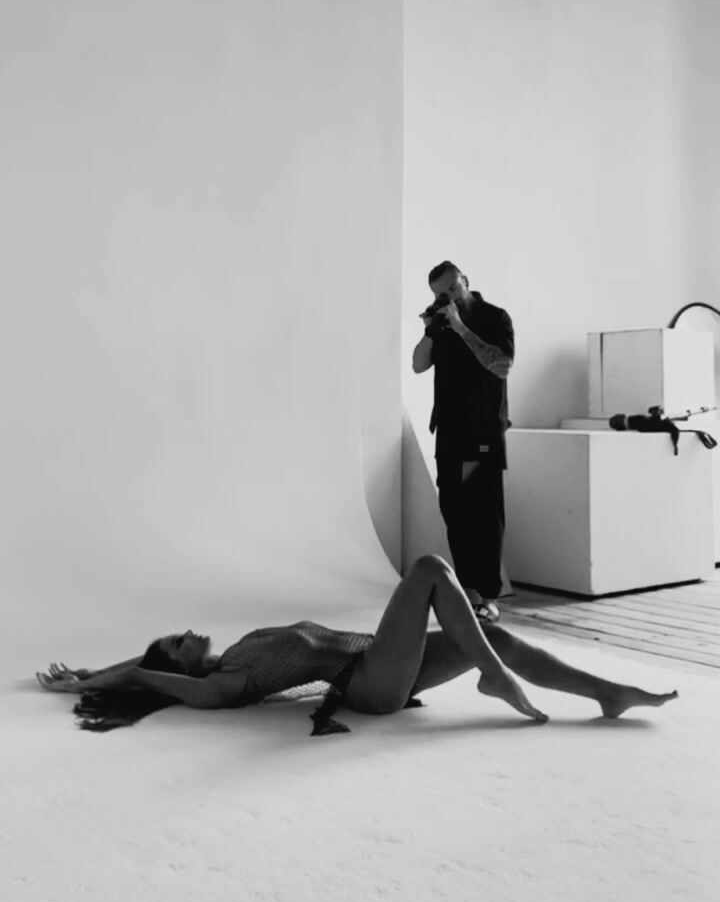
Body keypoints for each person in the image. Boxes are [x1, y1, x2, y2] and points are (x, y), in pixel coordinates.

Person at [36, 554, 677, 737]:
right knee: (429, 569)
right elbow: (152, 675)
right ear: (181, 666)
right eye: (178, 642)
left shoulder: (233, 654)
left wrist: (93, 669)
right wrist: (96, 685)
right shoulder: (224, 684)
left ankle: (608, 694)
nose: (187, 632)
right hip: (370, 683)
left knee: (497, 635)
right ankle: (495, 678)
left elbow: (145, 663)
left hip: (380, 660)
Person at [413, 260, 514, 625]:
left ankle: (489, 597)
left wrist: (460, 327)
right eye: (442, 293)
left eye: (454, 288)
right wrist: (430, 330)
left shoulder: (494, 317)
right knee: (455, 511)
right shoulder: (441, 323)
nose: (450, 297)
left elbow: (501, 366)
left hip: (483, 430)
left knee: (484, 513)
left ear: (466, 281)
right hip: (450, 430)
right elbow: (418, 365)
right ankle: (469, 593)